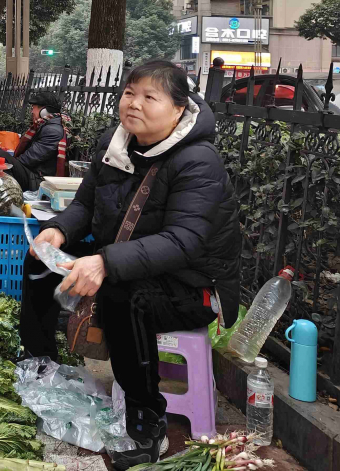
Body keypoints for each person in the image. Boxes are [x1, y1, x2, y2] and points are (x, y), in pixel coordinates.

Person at [21, 61, 240, 470]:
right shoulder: (115, 143)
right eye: (129, 93)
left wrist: (105, 262)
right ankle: (41, 363)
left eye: (149, 97)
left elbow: (184, 241)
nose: (134, 104)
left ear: (178, 109)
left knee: (124, 296)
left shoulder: (198, 160)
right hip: (128, 258)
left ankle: (147, 423)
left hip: (192, 285)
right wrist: (58, 232)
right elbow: (85, 205)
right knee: (40, 262)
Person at [0, 88, 66, 191]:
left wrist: (9, 160)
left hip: (37, 179)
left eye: (34, 108)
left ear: (44, 111)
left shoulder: (53, 131)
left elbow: (28, 160)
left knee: (1, 157)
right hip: (30, 172)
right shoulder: (45, 126)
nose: (32, 111)